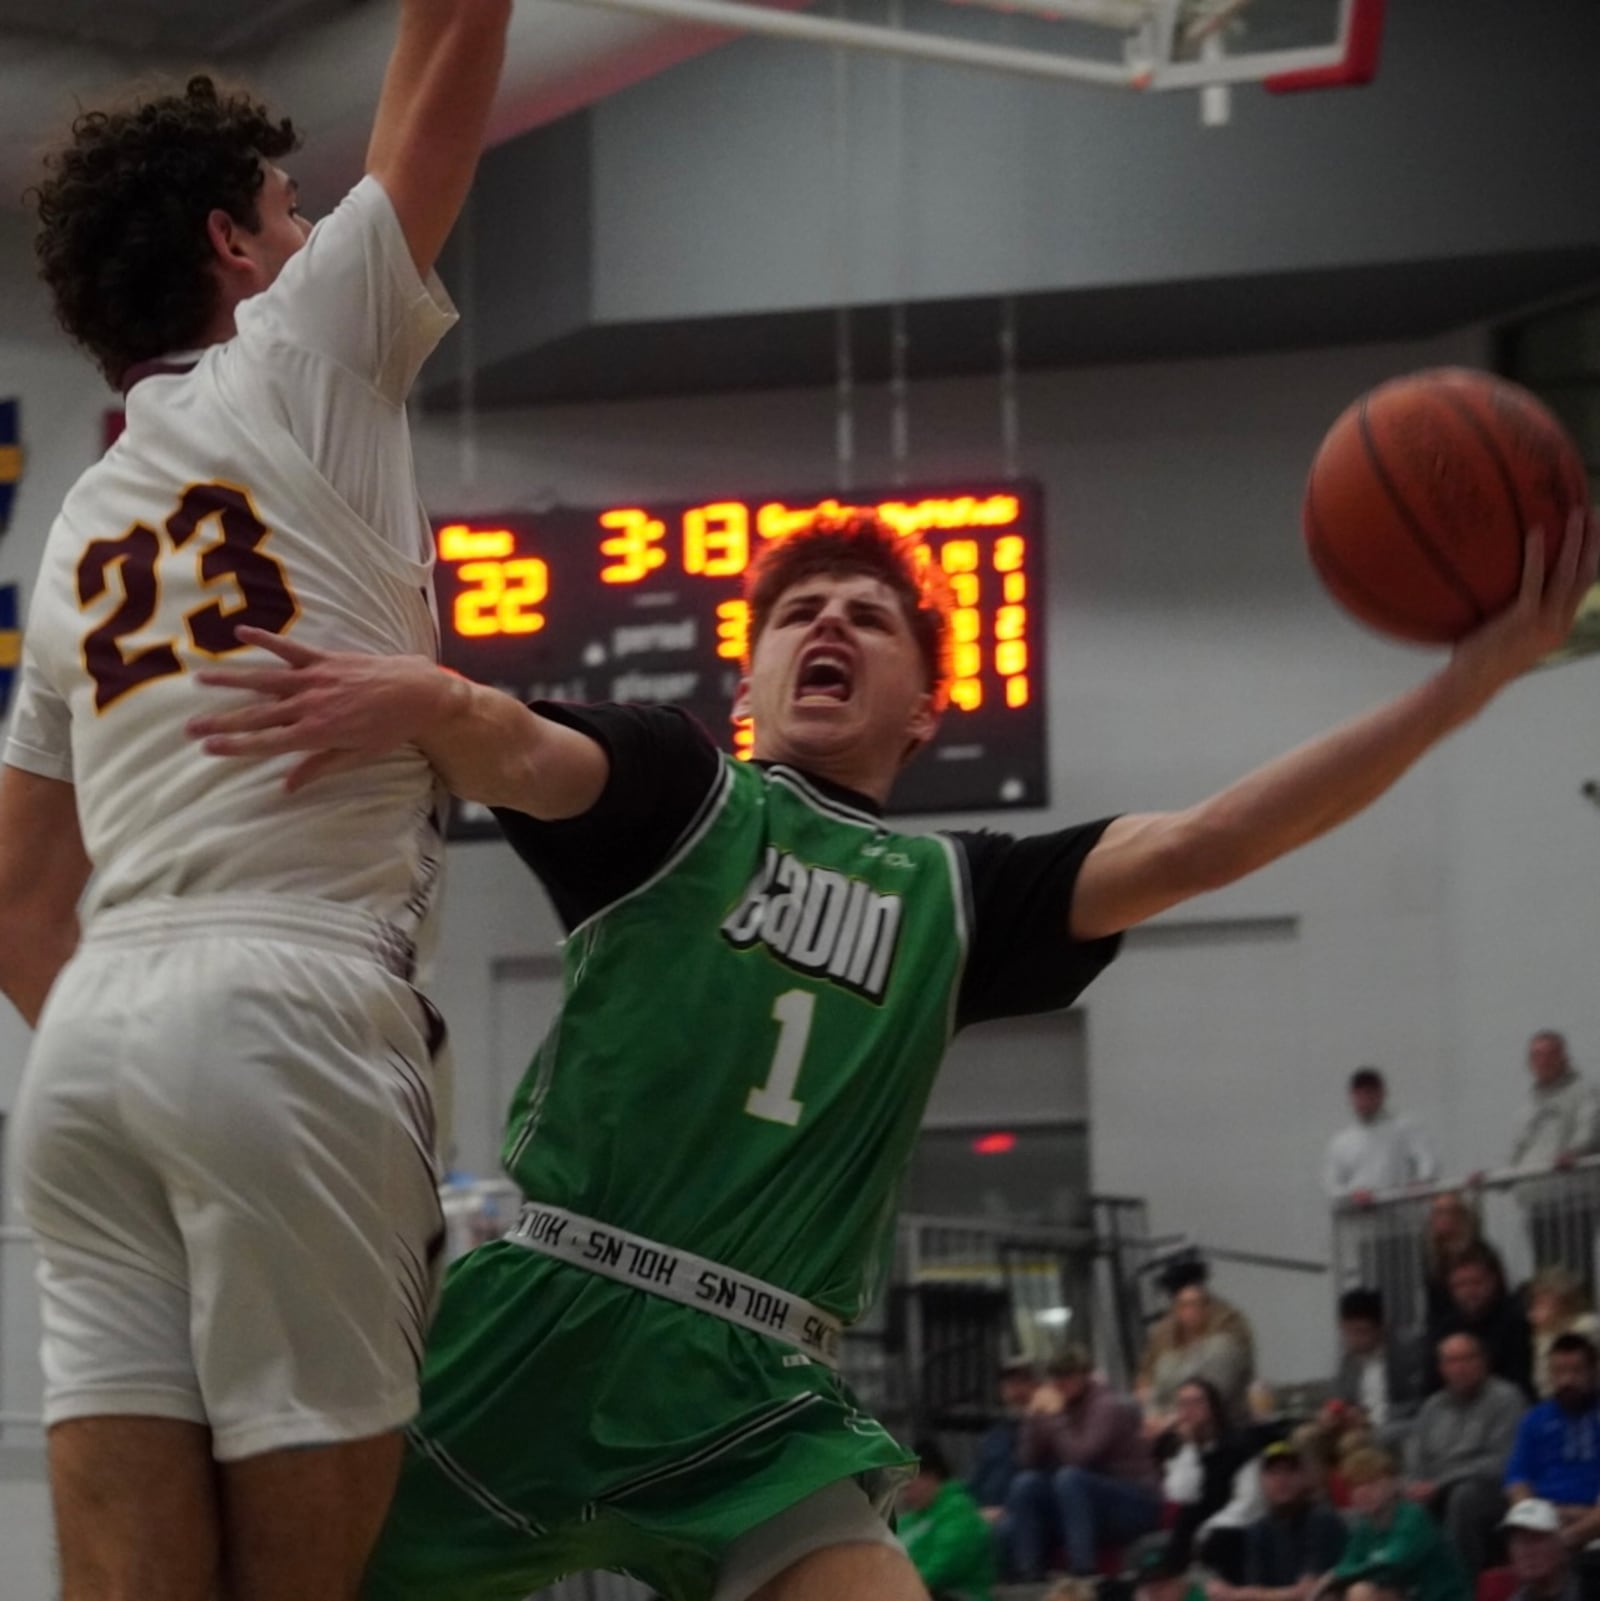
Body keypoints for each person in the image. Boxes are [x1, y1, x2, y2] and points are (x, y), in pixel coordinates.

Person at [187, 501, 1597, 1601]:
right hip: (541, 1317)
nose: (830, 624)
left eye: (869, 615)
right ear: (751, 679)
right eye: (799, 609)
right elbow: (517, 745)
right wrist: (424, 701)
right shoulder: (684, 791)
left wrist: (1462, 690)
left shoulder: (964, 894)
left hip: (752, 1388)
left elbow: (1214, 839)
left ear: (927, 704)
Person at [0, 8, 512, 1598]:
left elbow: (17, 898)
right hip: (290, 999)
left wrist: (154, 1049)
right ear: (235, 248)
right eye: (292, 208)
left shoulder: (79, 527)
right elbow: (450, 65)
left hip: (88, 1060)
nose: (320, 227)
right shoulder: (304, 351)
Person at [1008, 1347, 1162, 1580]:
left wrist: (1055, 1419)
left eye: (1069, 1376)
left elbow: (1080, 1457)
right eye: (1057, 1378)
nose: (1062, 1384)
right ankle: (1029, 1573)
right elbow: (1025, 1460)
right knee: (1026, 1484)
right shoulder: (1057, 1405)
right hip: (1084, 1502)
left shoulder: (1106, 1405)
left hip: (1134, 1499)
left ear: (1084, 1376)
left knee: (1070, 1477)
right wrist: (1033, 1417)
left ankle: (1083, 1571)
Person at [1403, 1333, 1524, 1575]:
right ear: (1441, 1368)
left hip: (1490, 1491)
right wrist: (1415, 1485)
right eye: (1451, 1361)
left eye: (1467, 1359)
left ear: (1483, 1362)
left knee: (1464, 1496)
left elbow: (1503, 1461)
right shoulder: (1432, 1407)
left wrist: (1441, 1483)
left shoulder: (1506, 1399)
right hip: (1433, 1492)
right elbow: (1415, 1455)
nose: (1460, 1368)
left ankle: (1459, 1584)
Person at [1327, 1070, 1437, 1332]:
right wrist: (1353, 1196)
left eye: (1370, 1094)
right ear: (1352, 1098)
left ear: (1381, 1094)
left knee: (1404, 1291)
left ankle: (1407, 1339)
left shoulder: (1404, 1127)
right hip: (1363, 1235)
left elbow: (1427, 1160)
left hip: (1402, 1228)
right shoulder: (1341, 1142)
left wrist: (1421, 1181)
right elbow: (1331, 1186)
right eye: (1360, 1095)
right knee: (1369, 1292)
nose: (1365, 1100)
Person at [1511, 1033, 1600, 1294]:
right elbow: (1516, 1150)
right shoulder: (1527, 1105)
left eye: (1549, 1053)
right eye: (1536, 1055)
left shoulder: (1584, 1091)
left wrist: (1574, 1151)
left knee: (1576, 1273)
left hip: (1575, 1200)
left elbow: (1590, 1128)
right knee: (1545, 1275)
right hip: (1538, 1204)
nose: (1543, 1060)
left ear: (1564, 1057)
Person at [1205, 1440, 1348, 1601]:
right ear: (1262, 1481)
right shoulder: (1259, 1529)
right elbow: (1257, 1590)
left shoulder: (1322, 1520)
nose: (1281, 1480)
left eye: (1289, 1472)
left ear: (1303, 1477)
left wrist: (1235, 1594)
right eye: (1273, 1473)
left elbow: (1309, 1591)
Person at [1324, 1446, 1470, 1601]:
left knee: (1361, 1592)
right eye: (1356, 1487)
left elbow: (1392, 1562)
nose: (1363, 1492)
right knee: (1330, 1596)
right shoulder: (1364, 1529)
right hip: (1406, 1594)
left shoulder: (1413, 1517)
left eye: (1372, 1483)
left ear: (1393, 1484)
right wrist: (1333, 1578)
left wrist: (1337, 1575)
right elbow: (1346, 1565)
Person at [1504, 1334, 1600, 1548]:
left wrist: (1567, 1536)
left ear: (1593, 1372)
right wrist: (1534, 1518)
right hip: (1544, 1521)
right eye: (1559, 1372)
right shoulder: (1535, 1419)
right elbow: (1517, 1479)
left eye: (1576, 1371)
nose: (1567, 1380)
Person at [1160, 1378, 1261, 1580]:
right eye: (1183, 1404)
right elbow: (1182, 1494)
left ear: (1213, 1407)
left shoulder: (1239, 1446)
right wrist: (1189, 1447)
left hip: (1234, 1524)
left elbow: (1249, 1501)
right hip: (1195, 1523)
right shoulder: (1178, 1449)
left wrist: (1209, 1529)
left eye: (1196, 1402)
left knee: (1220, 1540)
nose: (1189, 1411)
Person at [1139, 1260, 1257, 1428]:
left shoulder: (1228, 1325)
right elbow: (1144, 1380)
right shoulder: (1163, 1331)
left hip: (1224, 1426)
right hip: (1167, 1426)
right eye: (1178, 1303)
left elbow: (1214, 1392)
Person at [897, 1438, 996, 1601]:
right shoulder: (907, 1521)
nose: (905, 1495)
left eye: (907, 1486)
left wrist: (896, 1586)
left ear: (929, 1476)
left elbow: (944, 1567)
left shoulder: (960, 1512)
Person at [1428, 1247, 1535, 1399]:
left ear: (1493, 1281)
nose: (1469, 1292)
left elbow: (1519, 1381)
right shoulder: (1445, 1328)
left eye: (1476, 1282)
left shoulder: (1516, 1322)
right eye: (1460, 1285)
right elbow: (1432, 1384)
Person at [969, 1357, 1038, 1577]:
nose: (1015, 1391)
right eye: (1009, 1385)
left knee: (1002, 1532)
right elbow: (976, 1480)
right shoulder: (995, 1435)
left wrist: (1005, 1509)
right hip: (985, 1510)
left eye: (1021, 1383)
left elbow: (1042, 1480)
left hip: (1021, 1511)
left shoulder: (1045, 1428)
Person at [1334, 1289, 1424, 1440]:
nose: (1354, 1339)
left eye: (1361, 1332)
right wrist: (1340, 1413)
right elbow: (1342, 1398)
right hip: (1357, 1428)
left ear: (1380, 1329)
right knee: (1307, 1436)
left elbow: (1417, 1404)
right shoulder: (1348, 1361)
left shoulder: (1406, 1355)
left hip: (1393, 1427)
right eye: (1348, 1332)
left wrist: (1373, 1419)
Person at [1423, 1194, 1505, 1327]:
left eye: (1448, 1212)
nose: (1442, 1218)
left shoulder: (1481, 1252)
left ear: (1461, 1216)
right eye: (1438, 1212)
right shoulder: (1433, 1257)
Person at [1528, 1269, 1600, 1399]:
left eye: (1542, 1303)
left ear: (1564, 1304)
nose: (1534, 1311)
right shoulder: (1543, 1335)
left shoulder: (1586, 1327)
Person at [1500, 1499, 1581, 1601]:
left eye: (1536, 1539)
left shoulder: (1590, 1589)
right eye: (1518, 1542)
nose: (1526, 1552)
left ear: (1560, 1546)